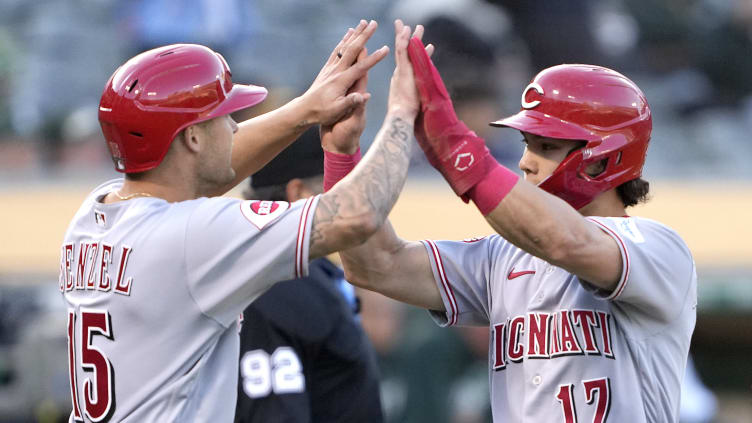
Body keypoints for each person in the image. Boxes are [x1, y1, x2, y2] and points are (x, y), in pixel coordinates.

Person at [59, 19, 423, 422]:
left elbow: (201, 169)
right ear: (193, 138)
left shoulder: (95, 212)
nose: (235, 126)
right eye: (225, 116)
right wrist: (403, 114)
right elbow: (357, 214)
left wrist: (306, 109)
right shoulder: (192, 235)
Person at [328, 32, 697, 422]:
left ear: (601, 159)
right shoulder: (503, 254)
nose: (525, 162)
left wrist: (457, 149)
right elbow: (374, 265)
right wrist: (343, 156)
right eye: (527, 143)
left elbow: (566, 242)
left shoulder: (658, 248)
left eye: (546, 147)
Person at [234, 128, 383, 422]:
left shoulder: (300, 275)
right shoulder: (277, 283)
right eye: (341, 188)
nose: (356, 204)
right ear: (301, 194)